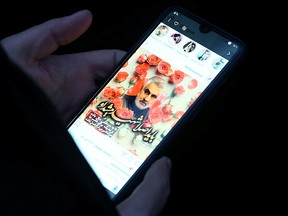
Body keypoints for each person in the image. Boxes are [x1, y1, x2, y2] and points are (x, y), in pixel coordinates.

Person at [0, 9, 171, 216]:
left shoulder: (148, 121)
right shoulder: (120, 98)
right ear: (142, 88)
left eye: (153, 97)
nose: (147, 98)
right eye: (147, 92)